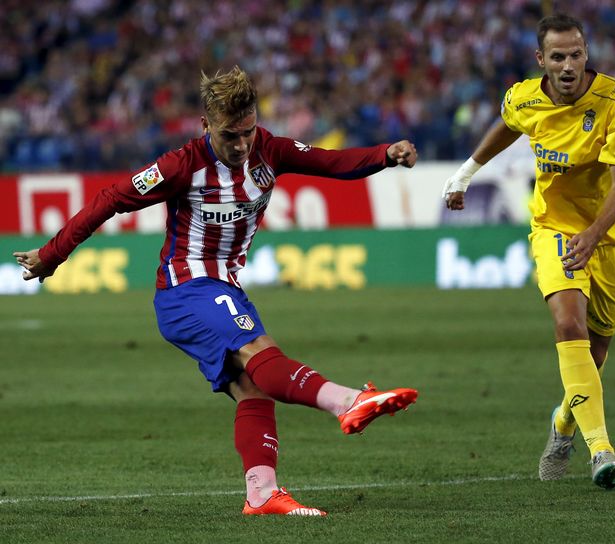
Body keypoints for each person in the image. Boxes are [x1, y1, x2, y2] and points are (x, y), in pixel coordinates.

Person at [14, 66, 419, 515]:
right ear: (206, 126)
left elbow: (330, 162)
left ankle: (261, 495)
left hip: (223, 287)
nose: (242, 145)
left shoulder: (270, 149)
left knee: (252, 390)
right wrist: (52, 254)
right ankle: (348, 401)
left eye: (247, 131)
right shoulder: (180, 165)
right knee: (261, 353)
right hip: (186, 290)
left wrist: (386, 154)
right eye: (231, 135)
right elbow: (111, 198)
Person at [442, 14, 615, 489]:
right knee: (567, 322)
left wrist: (594, 234)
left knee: (593, 354)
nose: (568, 65)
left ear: (586, 53)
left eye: (575, 54)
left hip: (610, 236)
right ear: (541, 60)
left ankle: (565, 423)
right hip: (553, 225)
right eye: (558, 57)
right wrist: (467, 171)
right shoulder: (524, 96)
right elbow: (508, 124)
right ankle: (602, 451)